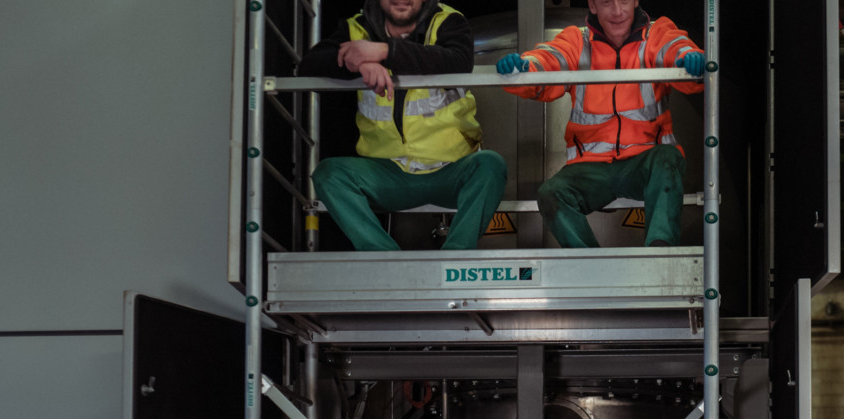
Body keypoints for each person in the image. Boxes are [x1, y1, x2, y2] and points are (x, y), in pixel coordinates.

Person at [298, 0, 506, 251]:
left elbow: (457, 60)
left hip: (451, 169)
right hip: (387, 172)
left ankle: (454, 257)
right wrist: (361, 63)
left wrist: (384, 52)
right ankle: (384, 258)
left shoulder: (448, 21)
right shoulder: (356, 29)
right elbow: (308, 65)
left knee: (490, 165)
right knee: (330, 174)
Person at [496, 0, 707, 248]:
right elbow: (549, 60)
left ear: (636, 1)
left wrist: (690, 59)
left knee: (668, 158)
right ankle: (590, 263)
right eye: (607, 2)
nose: (617, 11)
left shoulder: (656, 34)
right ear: (593, 6)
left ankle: (660, 254)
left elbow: (676, 48)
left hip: (645, 161)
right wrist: (523, 69)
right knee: (552, 192)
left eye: (624, 1)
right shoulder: (577, 42)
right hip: (590, 167)